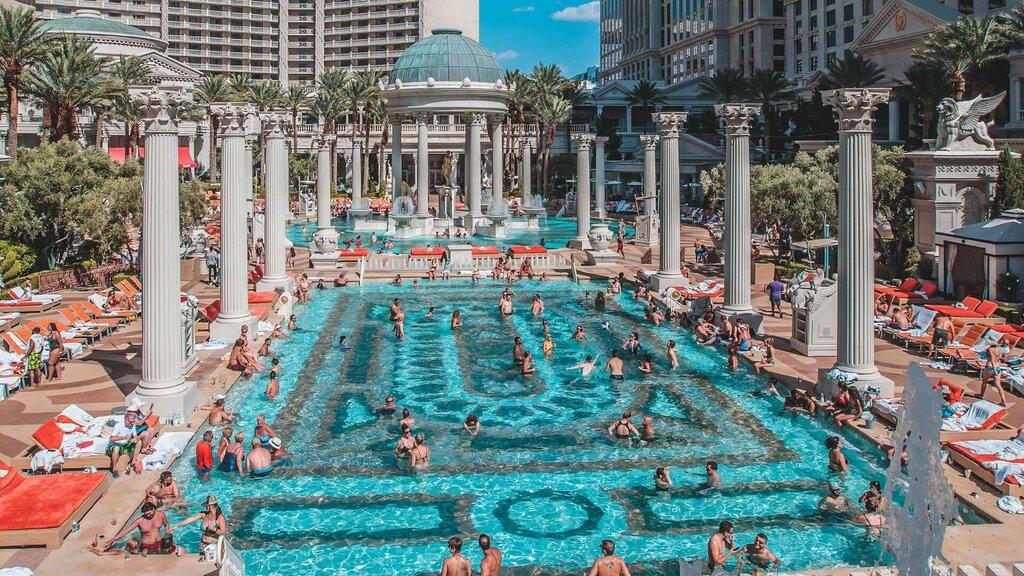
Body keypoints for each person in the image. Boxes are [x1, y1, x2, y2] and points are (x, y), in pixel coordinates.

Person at [103, 502, 173, 556]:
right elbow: (126, 531)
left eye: (149, 513)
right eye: (146, 514)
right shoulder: (140, 521)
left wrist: (168, 536)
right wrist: (111, 540)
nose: (148, 515)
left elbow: (166, 525)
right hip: (147, 547)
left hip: (160, 543)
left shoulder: (161, 515)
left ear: (153, 509)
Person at [106, 411, 139, 478]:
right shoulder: (118, 426)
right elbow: (111, 439)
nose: (132, 423)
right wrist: (123, 437)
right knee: (116, 448)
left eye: (133, 421)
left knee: (139, 442)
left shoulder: (132, 425)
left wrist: (134, 439)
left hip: (125, 445)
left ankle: (133, 462)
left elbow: (135, 435)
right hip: (116, 444)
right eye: (130, 421)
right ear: (126, 420)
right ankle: (114, 469)